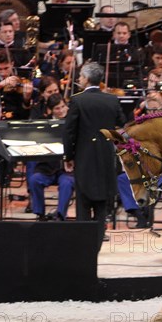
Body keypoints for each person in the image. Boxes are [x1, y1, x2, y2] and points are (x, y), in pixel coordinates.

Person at [63, 62, 126, 248]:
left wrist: (68, 157)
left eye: (81, 76)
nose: (79, 79)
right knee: (101, 203)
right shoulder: (112, 100)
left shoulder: (77, 100)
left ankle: (84, 246)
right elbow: (122, 123)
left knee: (83, 201)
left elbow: (69, 132)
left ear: (88, 79)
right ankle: (97, 244)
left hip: (84, 157)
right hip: (106, 157)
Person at [29, 93, 74, 221]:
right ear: (50, 110)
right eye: (57, 109)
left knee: (67, 183)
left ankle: (60, 215)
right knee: (34, 180)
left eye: (63, 107)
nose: (61, 111)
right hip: (47, 168)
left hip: (67, 170)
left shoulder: (74, 122)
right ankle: (40, 214)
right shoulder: (44, 124)